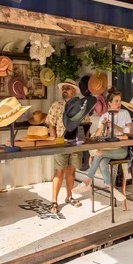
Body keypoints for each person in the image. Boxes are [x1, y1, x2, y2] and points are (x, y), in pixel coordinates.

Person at [73, 88, 132, 210]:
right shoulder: (105, 116)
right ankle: (112, 189)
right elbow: (98, 135)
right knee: (102, 161)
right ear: (109, 103)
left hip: (121, 150)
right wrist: (104, 125)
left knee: (99, 154)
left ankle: (87, 181)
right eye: (116, 101)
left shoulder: (125, 113)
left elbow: (130, 131)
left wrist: (115, 126)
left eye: (119, 101)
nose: (118, 104)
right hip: (107, 150)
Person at [45, 79, 84, 214]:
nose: (64, 90)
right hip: (61, 142)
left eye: (67, 88)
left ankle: (69, 197)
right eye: (63, 88)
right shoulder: (56, 105)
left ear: (74, 90)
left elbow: (85, 124)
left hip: (75, 143)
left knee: (71, 170)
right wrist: (55, 139)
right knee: (59, 171)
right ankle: (54, 201)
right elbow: (51, 123)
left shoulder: (81, 106)